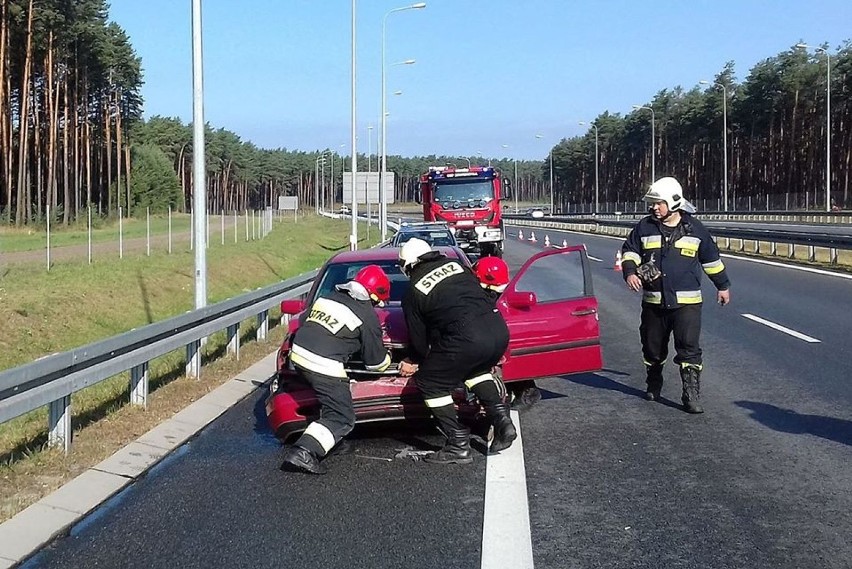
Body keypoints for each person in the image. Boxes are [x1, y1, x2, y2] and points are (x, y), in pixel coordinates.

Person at [398, 239, 516, 464]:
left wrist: (414, 359)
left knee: (430, 383)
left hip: (466, 338)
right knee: (475, 370)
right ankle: (502, 420)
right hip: (498, 330)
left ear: (407, 265)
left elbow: (419, 341)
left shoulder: (413, 290)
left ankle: (457, 443)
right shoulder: (458, 266)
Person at [621, 177, 731, 414]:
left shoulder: (695, 229)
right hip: (654, 303)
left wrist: (722, 286)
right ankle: (654, 379)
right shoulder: (644, 227)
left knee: (689, 349)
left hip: (687, 305)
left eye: (658, 203)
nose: (653, 207)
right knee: (652, 348)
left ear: (673, 202)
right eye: (652, 203)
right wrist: (630, 272)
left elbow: (711, 261)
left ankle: (691, 393)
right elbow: (630, 251)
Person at [280, 265, 392, 474]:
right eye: (378, 301)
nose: (377, 305)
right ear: (375, 294)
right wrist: (390, 359)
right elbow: (375, 363)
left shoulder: (328, 297)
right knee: (342, 416)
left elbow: (306, 322)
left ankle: (332, 441)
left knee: (329, 402)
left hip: (299, 355)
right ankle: (304, 451)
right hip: (323, 363)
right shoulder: (367, 315)